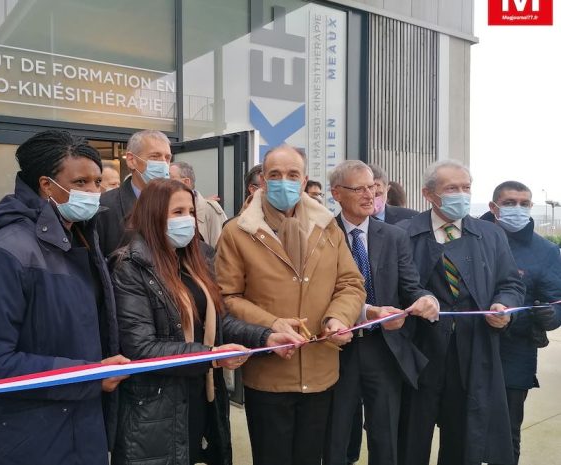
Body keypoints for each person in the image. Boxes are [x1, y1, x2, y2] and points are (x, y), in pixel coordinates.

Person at [0, 130, 128, 465]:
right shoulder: (6, 253)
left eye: (97, 182)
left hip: (80, 429)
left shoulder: (80, 239)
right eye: (81, 182)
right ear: (47, 185)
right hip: (30, 439)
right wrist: (88, 374)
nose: (94, 192)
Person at [110, 178, 300, 465]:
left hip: (204, 396)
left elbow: (218, 324)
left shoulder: (197, 259)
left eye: (190, 212)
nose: (187, 220)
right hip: (157, 406)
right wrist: (211, 356)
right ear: (153, 215)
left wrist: (265, 337)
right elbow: (141, 347)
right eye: (177, 213)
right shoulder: (130, 267)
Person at [215, 144, 365, 465]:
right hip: (269, 373)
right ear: (264, 182)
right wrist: (272, 324)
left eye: (292, 175)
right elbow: (227, 298)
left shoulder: (327, 228)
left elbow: (350, 283)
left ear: (304, 179)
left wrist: (338, 318)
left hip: (321, 369)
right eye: (275, 175)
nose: (284, 181)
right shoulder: (237, 232)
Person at [397, 160, 525, 465]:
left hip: (472, 353)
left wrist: (504, 307)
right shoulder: (402, 234)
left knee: (463, 438)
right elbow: (392, 287)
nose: (461, 195)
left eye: (466, 188)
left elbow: (510, 284)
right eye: (451, 188)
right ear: (428, 194)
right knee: (410, 437)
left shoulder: (490, 236)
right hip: (418, 354)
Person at [324, 161, 438, 465]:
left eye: (372, 187)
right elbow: (318, 297)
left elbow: (411, 287)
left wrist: (427, 300)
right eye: (359, 188)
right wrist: (363, 312)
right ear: (336, 193)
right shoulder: (321, 236)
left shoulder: (393, 236)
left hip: (384, 349)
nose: (369, 194)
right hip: (337, 348)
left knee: (385, 434)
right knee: (336, 435)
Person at [481, 181, 561, 465]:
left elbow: (555, 303)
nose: (518, 209)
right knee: (464, 428)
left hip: (516, 354)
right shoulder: (470, 238)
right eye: (510, 202)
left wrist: (550, 317)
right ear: (493, 207)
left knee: (506, 434)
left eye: (524, 204)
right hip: (468, 348)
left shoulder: (547, 252)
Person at [96, 130, 172, 257]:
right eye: (155, 156)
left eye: (167, 158)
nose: (163, 164)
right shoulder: (104, 207)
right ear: (131, 160)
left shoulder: (178, 203)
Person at [170, 161, 228, 247]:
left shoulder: (210, 209)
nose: (164, 181)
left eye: (168, 177)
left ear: (186, 182)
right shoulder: (162, 206)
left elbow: (220, 249)